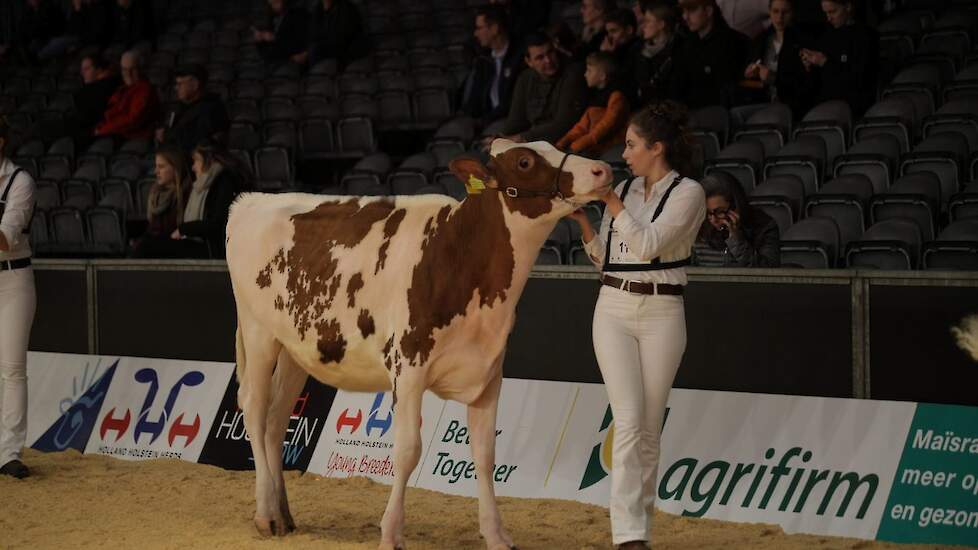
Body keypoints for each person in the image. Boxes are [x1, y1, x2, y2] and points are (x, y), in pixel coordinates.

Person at [566, 100, 705, 550]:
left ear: (657, 148)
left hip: (664, 312)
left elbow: (646, 246)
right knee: (627, 420)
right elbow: (607, 259)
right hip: (613, 308)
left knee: (647, 424)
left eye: (631, 145)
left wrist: (607, 199)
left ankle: (639, 525)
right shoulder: (623, 192)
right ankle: (628, 536)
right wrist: (588, 226)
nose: (623, 155)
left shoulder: (689, 193)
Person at [0, 119, 37, 480]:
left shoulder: (19, 181)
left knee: (12, 368)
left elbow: (5, 237)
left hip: (12, 277)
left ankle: (9, 453)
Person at [495, 32, 588, 144]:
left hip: (563, 141)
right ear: (529, 62)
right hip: (534, 141)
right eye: (540, 58)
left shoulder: (572, 74)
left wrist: (523, 137)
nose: (548, 60)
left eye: (550, 52)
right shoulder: (525, 78)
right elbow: (516, 120)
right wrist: (500, 138)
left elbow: (564, 123)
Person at [800, 0, 879, 116]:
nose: (829, 18)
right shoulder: (825, 36)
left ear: (848, 6)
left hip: (853, 109)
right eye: (826, 13)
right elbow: (816, 83)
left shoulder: (866, 37)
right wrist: (809, 66)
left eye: (832, 12)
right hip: (824, 107)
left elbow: (858, 81)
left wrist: (824, 62)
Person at [669, 0, 750, 108]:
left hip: (719, 115)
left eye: (691, 10)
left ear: (708, 11)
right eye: (684, 11)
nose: (685, 17)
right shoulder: (686, 43)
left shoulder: (733, 42)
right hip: (690, 114)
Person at [741, 0, 812, 117]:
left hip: (791, 105)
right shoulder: (762, 40)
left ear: (793, 13)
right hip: (764, 102)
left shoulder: (802, 41)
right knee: (735, 115)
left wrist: (774, 78)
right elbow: (751, 70)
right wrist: (751, 74)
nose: (780, 17)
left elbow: (805, 84)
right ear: (769, 12)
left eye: (785, 12)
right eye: (775, 11)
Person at [692, 172, 780, 266]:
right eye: (707, 212)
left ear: (736, 205)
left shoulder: (764, 227)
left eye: (720, 211)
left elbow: (768, 272)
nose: (713, 220)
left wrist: (737, 241)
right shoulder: (699, 225)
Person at [459, 5, 526, 127]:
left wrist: (484, 122)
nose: (475, 33)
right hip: (487, 122)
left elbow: (512, 103)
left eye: (479, 28)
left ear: (494, 28)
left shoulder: (520, 58)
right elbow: (474, 100)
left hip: (510, 122)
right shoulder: (483, 61)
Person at [555, 51, 630, 157]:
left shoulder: (616, 97)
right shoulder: (595, 97)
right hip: (593, 147)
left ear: (602, 76)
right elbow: (581, 127)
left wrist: (577, 146)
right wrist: (563, 142)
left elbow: (603, 128)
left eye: (589, 70)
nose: (585, 74)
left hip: (610, 149)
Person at [129, 147, 189, 257]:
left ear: (175, 168)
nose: (156, 171)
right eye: (156, 166)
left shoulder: (186, 194)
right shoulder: (155, 194)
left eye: (161, 167)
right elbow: (152, 228)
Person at [157, 65, 230, 155]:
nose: (176, 88)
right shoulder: (183, 106)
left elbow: (197, 143)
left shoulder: (211, 109)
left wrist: (167, 136)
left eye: (180, 84)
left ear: (195, 84)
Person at [94, 50, 161, 140]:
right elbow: (110, 114)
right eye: (125, 69)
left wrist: (103, 130)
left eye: (133, 69)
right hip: (113, 134)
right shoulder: (123, 90)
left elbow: (132, 120)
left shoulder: (145, 90)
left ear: (140, 69)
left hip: (129, 138)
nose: (128, 74)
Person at [297, 0, 367, 70]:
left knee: (314, 51)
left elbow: (341, 39)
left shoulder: (347, 9)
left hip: (343, 53)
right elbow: (313, 34)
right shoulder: (318, 9)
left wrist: (309, 52)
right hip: (322, 50)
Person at [634, 1, 681, 103]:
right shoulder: (638, 50)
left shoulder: (677, 52)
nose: (643, 26)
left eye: (648, 21)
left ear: (661, 24)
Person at [73, 54, 122, 140]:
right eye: (82, 69)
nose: (82, 73)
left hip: (102, 133)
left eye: (87, 69)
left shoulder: (104, 87)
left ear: (99, 70)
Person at [253, 0, 308, 70]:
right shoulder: (272, 17)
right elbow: (268, 50)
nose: (273, 6)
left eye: (276, 2)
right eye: (271, 4)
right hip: (274, 62)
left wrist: (274, 38)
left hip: (290, 62)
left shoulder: (298, 14)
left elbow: (299, 41)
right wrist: (259, 40)